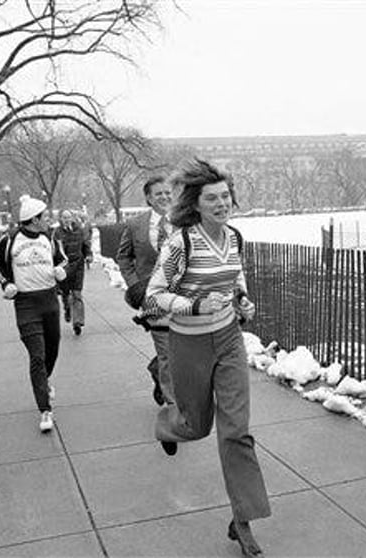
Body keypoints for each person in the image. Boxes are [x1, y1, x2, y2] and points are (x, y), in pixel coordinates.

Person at [144, 159, 269, 558]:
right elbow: (154, 297)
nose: (221, 203)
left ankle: (242, 520)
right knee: (196, 427)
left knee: (237, 432)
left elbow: (236, 279)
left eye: (225, 196)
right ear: (196, 204)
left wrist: (243, 302)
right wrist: (195, 306)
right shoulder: (181, 243)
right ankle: (169, 424)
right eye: (212, 198)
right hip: (190, 344)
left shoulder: (233, 237)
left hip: (230, 340)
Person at [0, 195, 68, 433]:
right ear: (34, 219)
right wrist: (6, 284)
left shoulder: (49, 238)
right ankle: (44, 409)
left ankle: (44, 381)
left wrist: (59, 270)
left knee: (52, 349)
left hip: (49, 300)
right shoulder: (10, 241)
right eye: (44, 217)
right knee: (37, 356)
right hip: (26, 304)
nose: (48, 220)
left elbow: (63, 260)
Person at [116, 176, 175, 406]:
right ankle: (174, 410)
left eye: (168, 193)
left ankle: (156, 370)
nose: (165, 197)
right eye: (159, 193)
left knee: (184, 351)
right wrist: (136, 286)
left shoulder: (185, 223)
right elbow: (123, 257)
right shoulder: (136, 224)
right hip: (152, 298)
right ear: (149, 198)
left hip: (183, 297)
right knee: (167, 353)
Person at [52, 209, 92, 335]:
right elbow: (53, 251)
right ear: (60, 219)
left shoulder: (79, 230)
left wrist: (89, 255)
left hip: (78, 266)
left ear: (72, 218)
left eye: (68, 217)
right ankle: (67, 309)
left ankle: (77, 322)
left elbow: (85, 244)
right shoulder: (57, 233)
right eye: (64, 217)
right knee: (66, 294)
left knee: (77, 294)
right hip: (64, 267)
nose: (67, 219)